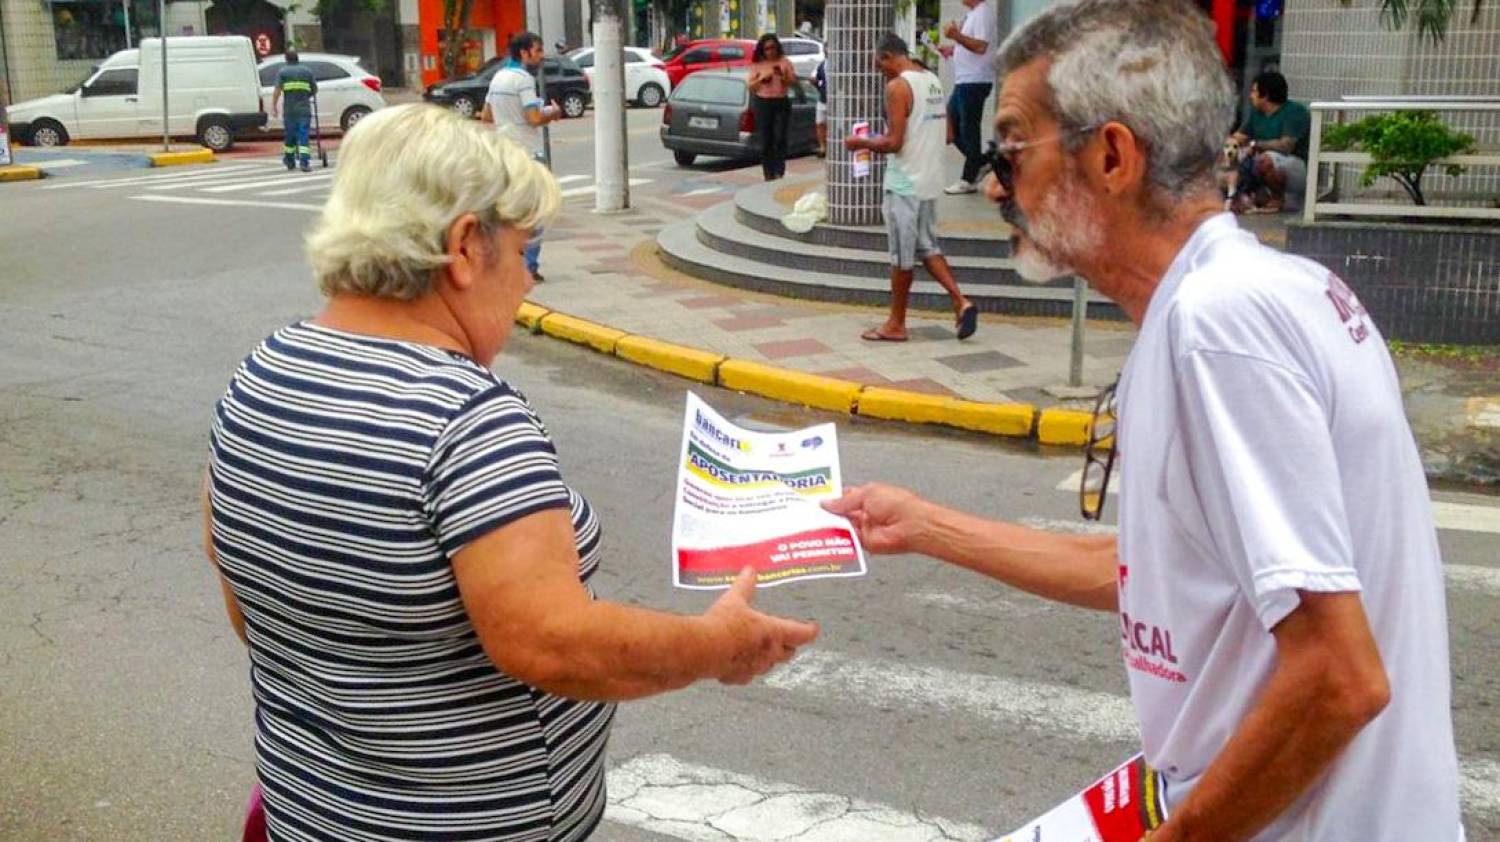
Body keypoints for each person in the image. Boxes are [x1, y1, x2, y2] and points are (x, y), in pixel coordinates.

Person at [828, 2, 1464, 840]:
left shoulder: (1219, 326)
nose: (994, 183)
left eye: (1013, 149)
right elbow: (1165, 573)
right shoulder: (1262, 291)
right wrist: (926, 525)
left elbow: (1340, 677)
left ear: (1113, 156)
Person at [202, 103, 820, 841]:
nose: (530, 284)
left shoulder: (264, 373)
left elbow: (249, 601)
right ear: (466, 247)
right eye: (527, 253)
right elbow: (551, 642)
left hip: (316, 812)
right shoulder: (466, 418)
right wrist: (718, 645)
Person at [844, 35, 976, 343]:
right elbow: (947, 134)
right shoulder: (932, 80)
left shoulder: (897, 87)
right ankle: (961, 301)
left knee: (901, 257)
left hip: (904, 183)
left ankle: (896, 324)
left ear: (890, 57)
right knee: (927, 246)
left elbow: (893, 142)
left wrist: (860, 142)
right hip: (929, 180)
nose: (881, 72)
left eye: (880, 65)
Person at [482, 31, 562, 280]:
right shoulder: (523, 79)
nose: (540, 56)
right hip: (527, 155)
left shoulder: (498, 77)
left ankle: (506, 263)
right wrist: (554, 112)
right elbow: (534, 118)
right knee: (536, 213)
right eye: (537, 51)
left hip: (504, 153)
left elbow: (486, 115)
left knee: (510, 212)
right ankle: (529, 267)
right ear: (524, 52)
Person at [1226, 70, 1311, 213]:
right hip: (1266, 165)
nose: (1250, 96)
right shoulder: (1257, 114)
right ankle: (1242, 196)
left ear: (1265, 95)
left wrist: (1255, 145)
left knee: (1266, 159)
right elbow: (1238, 137)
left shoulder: (1294, 112)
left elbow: (1286, 146)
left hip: (1297, 167)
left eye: (1254, 91)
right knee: (1233, 159)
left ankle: (1277, 199)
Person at [941, 0, 997, 194]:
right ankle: (982, 162)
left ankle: (968, 178)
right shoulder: (973, 14)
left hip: (975, 80)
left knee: (968, 129)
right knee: (951, 125)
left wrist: (956, 35)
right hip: (964, 80)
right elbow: (971, 45)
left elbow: (981, 46)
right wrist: (952, 49)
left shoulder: (983, 12)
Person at [748, 34, 797, 181]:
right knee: (766, 139)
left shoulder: (784, 62)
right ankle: (768, 173)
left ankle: (779, 170)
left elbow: (793, 81)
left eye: (773, 48)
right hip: (763, 102)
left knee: (780, 137)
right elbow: (750, 86)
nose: (771, 51)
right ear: (762, 50)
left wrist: (782, 77)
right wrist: (762, 80)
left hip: (781, 101)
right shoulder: (758, 64)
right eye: (767, 48)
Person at [270, 49, 317, 173]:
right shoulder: (307, 72)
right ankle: (304, 163)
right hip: (304, 109)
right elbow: (314, 89)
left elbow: (277, 91)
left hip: (289, 110)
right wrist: (306, 97)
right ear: (297, 58)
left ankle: (290, 161)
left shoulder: (283, 72)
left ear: (286, 59)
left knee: (290, 136)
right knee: (303, 136)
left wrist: (274, 106)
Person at [814, 58, 827, 157]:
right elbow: (816, 79)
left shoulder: (840, 63)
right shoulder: (822, 64)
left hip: (836, 99)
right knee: (820, 123)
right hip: (823, 99)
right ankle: (822, 147)